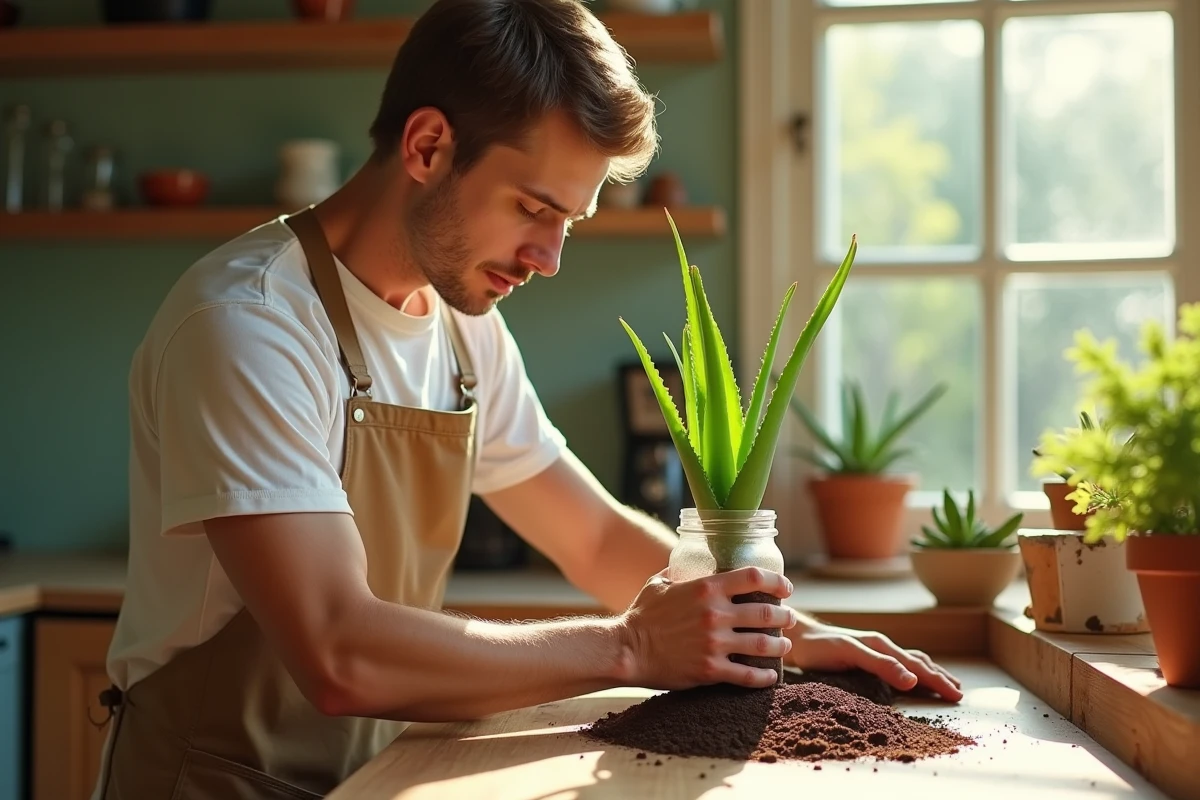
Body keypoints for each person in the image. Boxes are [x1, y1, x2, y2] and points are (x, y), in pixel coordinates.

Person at [92, 0, 963, 797]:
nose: (548, 257)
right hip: (213, 782)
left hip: (374, 775)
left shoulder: (460, 327)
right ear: (427, 147)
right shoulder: (250, 324)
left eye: (568, 224)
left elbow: (591, 534)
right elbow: (337, 650)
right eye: (532, 208)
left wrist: (776, 630)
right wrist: (630, 646)